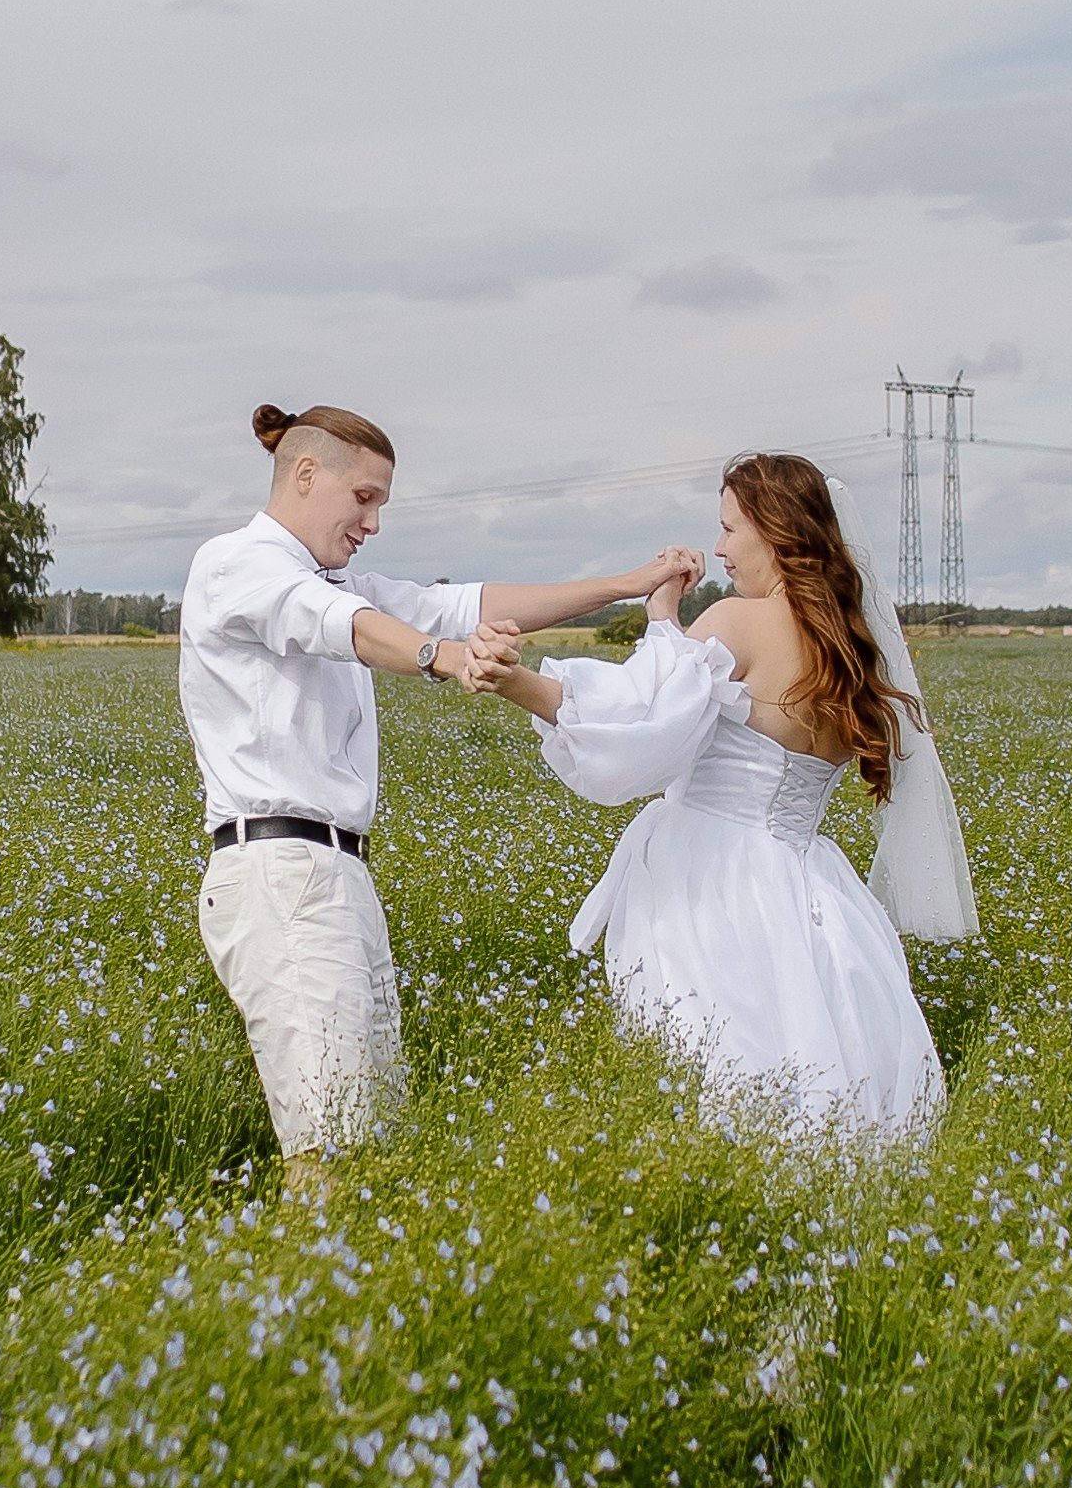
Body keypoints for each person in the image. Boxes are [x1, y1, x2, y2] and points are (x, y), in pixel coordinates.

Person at [181, 401, 699, 1182]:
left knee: (371, 1135)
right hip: (279, 876)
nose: (373, 523)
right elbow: (340, 623)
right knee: (329, 1151)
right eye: (365, 499)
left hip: (333, 876)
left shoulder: (336, 577)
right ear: (307, 473)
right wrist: (447, 658)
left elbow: (471, 603)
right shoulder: (238, 563)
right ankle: (303, 1288)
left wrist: (632, 584)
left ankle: (338, 1286)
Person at [477, 451, 978, 1135]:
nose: (718, 546)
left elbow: (642, 719)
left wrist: (516, 682)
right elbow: (684, 696)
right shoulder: (853, 648)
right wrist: (665, 617)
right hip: (811, 883)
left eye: (730, 527)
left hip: (710, 876)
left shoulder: (739, 622)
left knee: (711, 1067)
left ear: (776, 530)